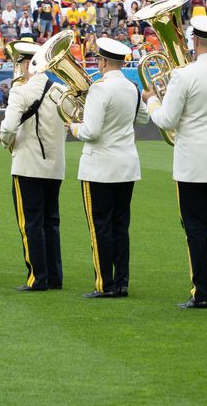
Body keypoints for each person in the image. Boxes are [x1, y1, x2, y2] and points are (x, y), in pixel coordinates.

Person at [144, 16, 207, 312]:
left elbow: (166, 120)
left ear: (196, 41)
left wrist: (152, 100)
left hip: (192, 165)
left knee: (196, 229)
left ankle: (200, 293)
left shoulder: (183, 75)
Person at [71, 37, 149, 299]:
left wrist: (72, 126)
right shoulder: (131, 87)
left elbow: (90, 132)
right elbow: (144, 117)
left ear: (103, 61)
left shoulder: (100, 88)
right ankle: (122, 282)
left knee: (100, 226)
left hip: (100, 167)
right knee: (119, 226)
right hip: (126, 165)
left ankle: (105, 283)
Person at [0, 42, 68, 292]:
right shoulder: (60, 90)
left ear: (28, 64)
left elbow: (7, 128)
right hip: (55, 165)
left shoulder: (21, 91)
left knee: (31, 223)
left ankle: (37, 277)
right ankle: (54, 276)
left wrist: (9, 144)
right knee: (51, 221)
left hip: (28, 166)